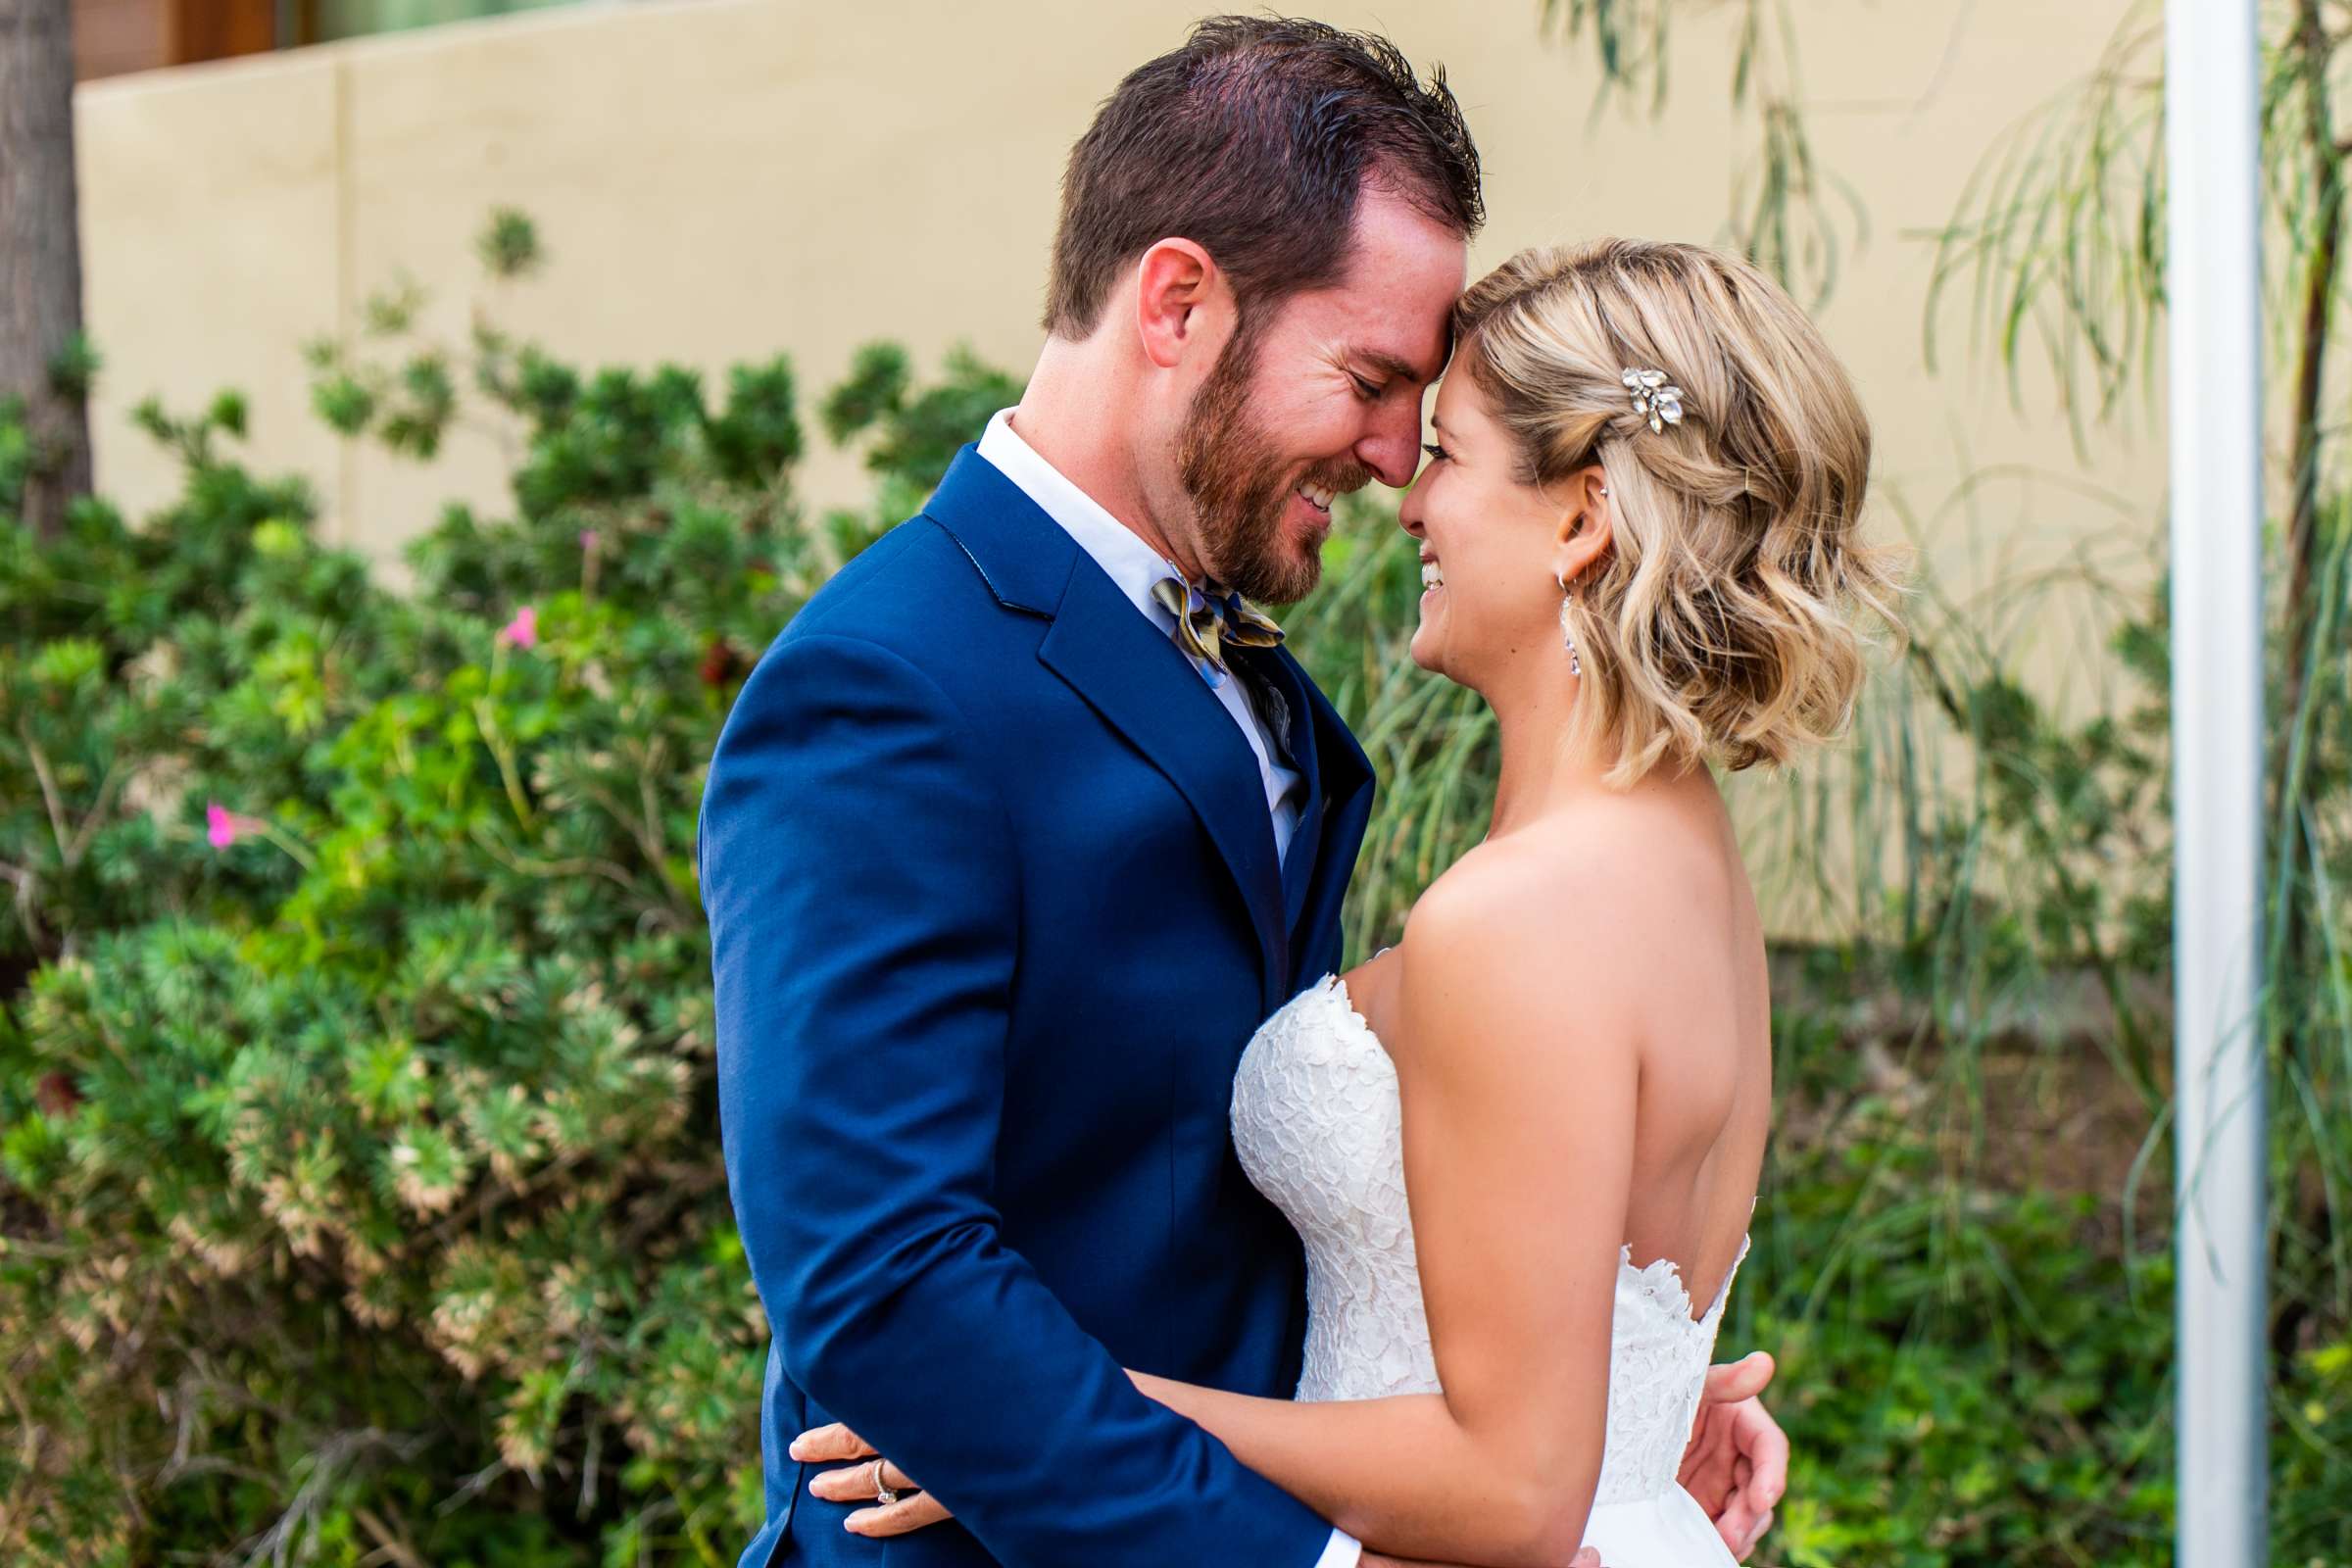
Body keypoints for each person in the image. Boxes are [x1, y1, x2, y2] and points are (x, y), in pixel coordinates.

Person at [700, 20, 1790, 1568]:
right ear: (1179, 304)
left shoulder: (1280, 695)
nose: (1399, 456)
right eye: (1369, 378)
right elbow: (886, 1280)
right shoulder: (885, 689)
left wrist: (1614, 1411)